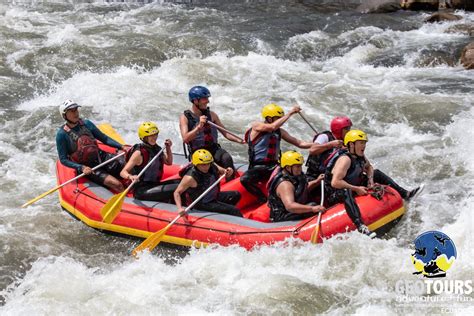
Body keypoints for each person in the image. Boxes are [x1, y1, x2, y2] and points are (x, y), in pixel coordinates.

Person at [307, 116, 422, 201]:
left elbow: (367, 165)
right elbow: (312, 150)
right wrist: (331, 144)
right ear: (338, 130)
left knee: (376, 173)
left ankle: (405, 194)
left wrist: (370, 180)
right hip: (321, 178)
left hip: (340, 175)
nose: (349, 131)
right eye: (346, 129)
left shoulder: (349, 144)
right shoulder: (325, 137)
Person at [240, 104, 314, 203]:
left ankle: (301, 198)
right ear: (269, 118)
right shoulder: (257, 126)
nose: (280, 120)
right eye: (277, 118)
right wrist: (290, 113)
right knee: (244, 179)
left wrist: (318, 144)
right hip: (257, 167)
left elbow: (299, 143)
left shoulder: (280, 132)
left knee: (298, 176)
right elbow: (272, 127)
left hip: (273, 166)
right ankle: (262, 198)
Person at [56, 99, 127, 192]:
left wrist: (121, 146)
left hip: (101, 157)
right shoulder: (62, 135)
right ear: (65, 115)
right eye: (72, 111)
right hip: (88, 167)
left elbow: (104, 139)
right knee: (117, 185)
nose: (75, 113)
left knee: (130, 167)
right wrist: (81, 167)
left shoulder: (87, 124)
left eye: (76, 110)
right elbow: (63, 159)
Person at [179, 86, 245, 181]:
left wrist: (241, 141)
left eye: (207, 98)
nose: (207, 101)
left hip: (213, 148)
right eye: (204, 99)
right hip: (198, 152)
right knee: (209, 163)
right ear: (195, 101)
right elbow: (185, 139)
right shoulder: (185, 117)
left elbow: (226, 133)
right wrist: (199, 127)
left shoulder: (212, 115)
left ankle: (230, 184)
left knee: (227, 158)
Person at [120, 122, 180, 202]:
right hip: (142, 190)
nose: (154, 137)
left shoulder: (156, 148)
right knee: (177, 187)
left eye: (155, 135)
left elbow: (169, 162)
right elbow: (123, 172)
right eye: (151, 136)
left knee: (182, 182)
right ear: (144, 138)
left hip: (154, 185)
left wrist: (168, 148)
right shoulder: (138, 153)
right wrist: (130, 176)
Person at [174, 149, 243, 217]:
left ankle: (223, 215)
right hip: (202, 204)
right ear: (196, 164)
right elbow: (177, 192)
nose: (206, 166)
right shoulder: (190, 178)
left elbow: (225, 173)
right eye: (203, 164)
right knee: (234, 210)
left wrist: (229, 171)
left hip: (213, 196)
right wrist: (179, 208)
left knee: (236, 195)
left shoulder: (212, 166)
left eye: (208, 163)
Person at [267, 151, 326, 222]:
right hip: (283, 217)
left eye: (300, 165)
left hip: (291, 211)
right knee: (312, 205)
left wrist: (317, 181)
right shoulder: (285, 184)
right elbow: (290, 206)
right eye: (298, 166)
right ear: (288, 167)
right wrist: (312, 208)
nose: (300, 169)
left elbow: (302, 190)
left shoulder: (293, 176)